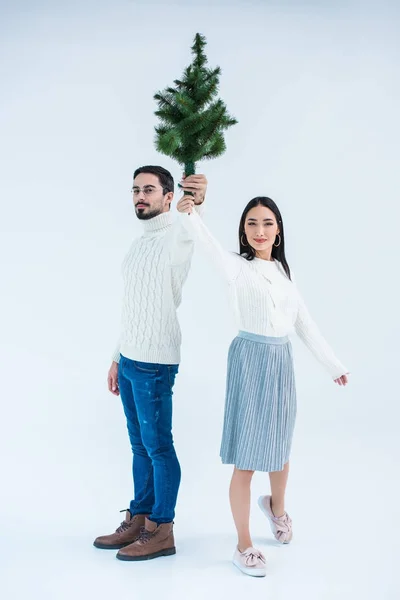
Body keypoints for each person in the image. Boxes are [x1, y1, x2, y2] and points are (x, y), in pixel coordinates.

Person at [176, 192, 349, 578]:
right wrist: (191, 212)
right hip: (250, 359)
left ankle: (277, 508)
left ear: (278, 230)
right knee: (248, 459)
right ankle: (243, 545)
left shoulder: (285, 274)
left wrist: (332, 364)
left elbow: (304, 323)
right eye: (251, 223)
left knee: (281, 449)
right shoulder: (237, 267)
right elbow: (206, 244)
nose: (259, 230)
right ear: (243, 230)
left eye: (267, 223)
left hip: (281, 361)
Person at [93, 166, 207, 562]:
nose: (140, 196)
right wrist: (115, 358)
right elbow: (132, 309)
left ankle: (162, 529)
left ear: (169, 196)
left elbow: (192, 223)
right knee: (139, 446)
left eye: (149, 190)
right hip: (130, 360)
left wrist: (199, 199)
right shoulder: (139, 242)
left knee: (158, 447)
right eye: (135, 190)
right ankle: (140, 519)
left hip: (155, 362)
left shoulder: (177, 233)